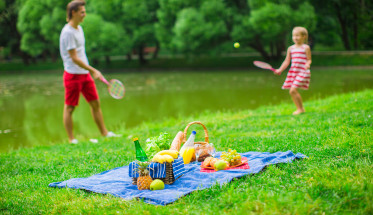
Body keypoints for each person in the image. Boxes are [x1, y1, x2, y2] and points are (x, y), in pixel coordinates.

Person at [60, 0, 116, 143]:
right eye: (82, 12)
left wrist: (89, 71)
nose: (84, 14)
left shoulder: (79, 29)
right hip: (72, 75)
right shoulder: (68, 32)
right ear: (74, 13)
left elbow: (81, 54)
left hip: (84, 74)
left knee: (95, 103)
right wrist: (93, 70)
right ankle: (71, 139)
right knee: (70, 108)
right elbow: (74, 58)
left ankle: (105, 133)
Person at [275, 26, 312, 115]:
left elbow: (309, 59)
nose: (295, 37)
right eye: (293, 35)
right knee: (292, 91)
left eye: (297, 35)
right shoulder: (291, 48)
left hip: (303, 72)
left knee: (292, 90)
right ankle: (300, 109)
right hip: (294, 72)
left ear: (304, 37)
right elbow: (287, 61)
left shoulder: (306, 47)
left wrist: (308, 64)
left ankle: (300, 109)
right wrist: (280, 69)